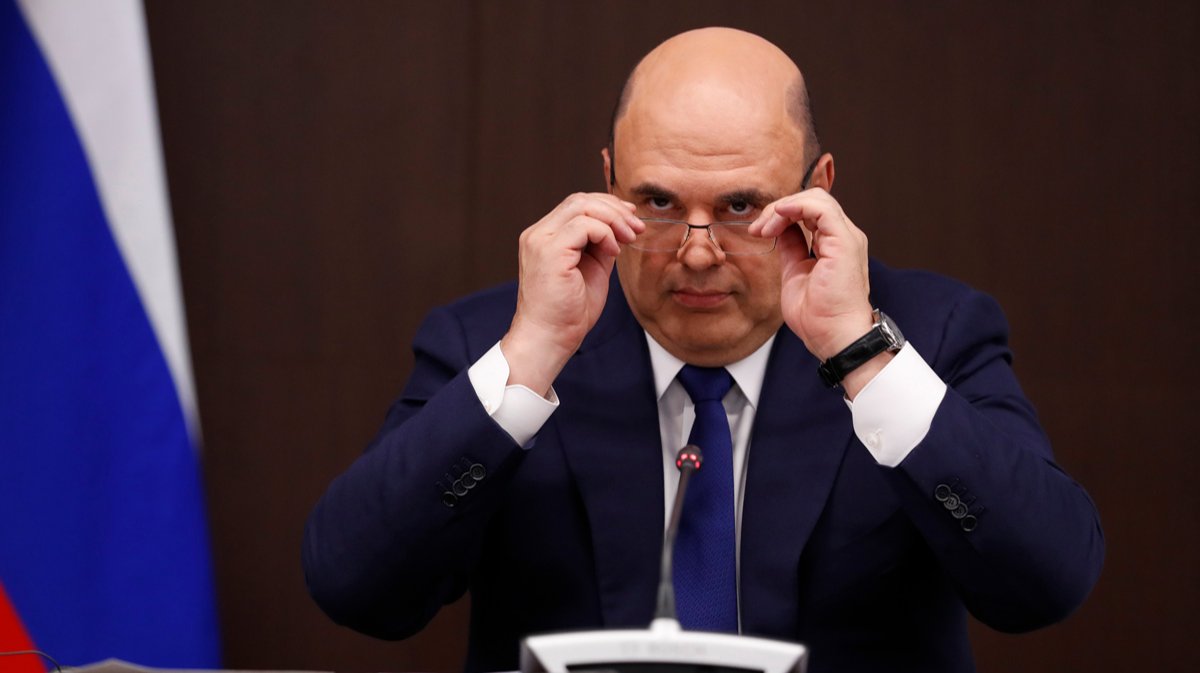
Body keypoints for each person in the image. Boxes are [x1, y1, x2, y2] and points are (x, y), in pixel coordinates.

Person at [303, 27, 1104, 673]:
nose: (695, 252)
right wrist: (532, 356)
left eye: (741, 207)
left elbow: (1045, 584)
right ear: (608, 181)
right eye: (656, 202)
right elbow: (356, 589)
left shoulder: (929, 333)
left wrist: (859, 352)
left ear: (818, 189)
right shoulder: (499, 340)